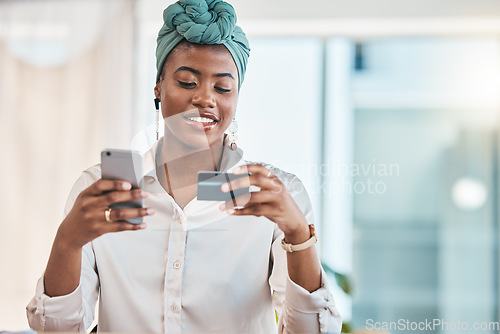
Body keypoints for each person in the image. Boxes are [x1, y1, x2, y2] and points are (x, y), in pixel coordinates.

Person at [26, 0, 342, 333]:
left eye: (222, 88)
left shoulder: (277, 193)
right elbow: (56, 330)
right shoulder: (106, 186)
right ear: (158, 87)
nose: (206, 98)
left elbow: (312, 332)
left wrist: (297, 234)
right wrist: (67, 242)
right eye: (188, 82)